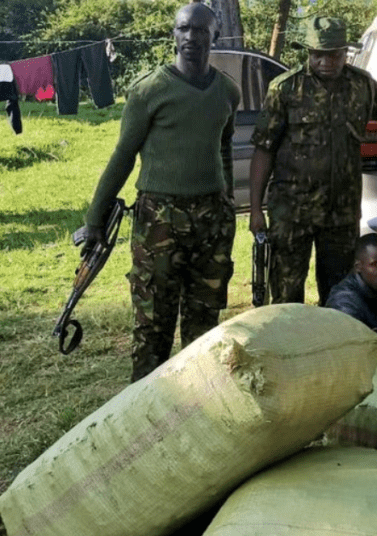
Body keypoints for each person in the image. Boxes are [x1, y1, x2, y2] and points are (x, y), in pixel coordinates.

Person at [81, 2, 241, 382]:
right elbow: (122, 156)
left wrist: (229, 197)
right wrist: (94, 219)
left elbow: (224, 147)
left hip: (212, 222)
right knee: (154, 324)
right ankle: (144, 408)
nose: (191, 37)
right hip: (160, 221)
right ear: (174, 34)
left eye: (200, 30)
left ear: (214, 36)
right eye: (184, 29)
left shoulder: (227, 92)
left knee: (204, 323)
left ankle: (200, 403)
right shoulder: (150, 90)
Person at [249, 16, 377, 306]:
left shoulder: (363, 87)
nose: (326, 61)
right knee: (285, 292)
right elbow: (263, 150)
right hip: (293, 211)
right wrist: (256, 209)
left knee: (340, 293)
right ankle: (290, 349)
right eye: (318, 54)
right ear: (308, 52)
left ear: (346, 53)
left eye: (334, 54)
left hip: (340, 212)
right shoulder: (285, 89)